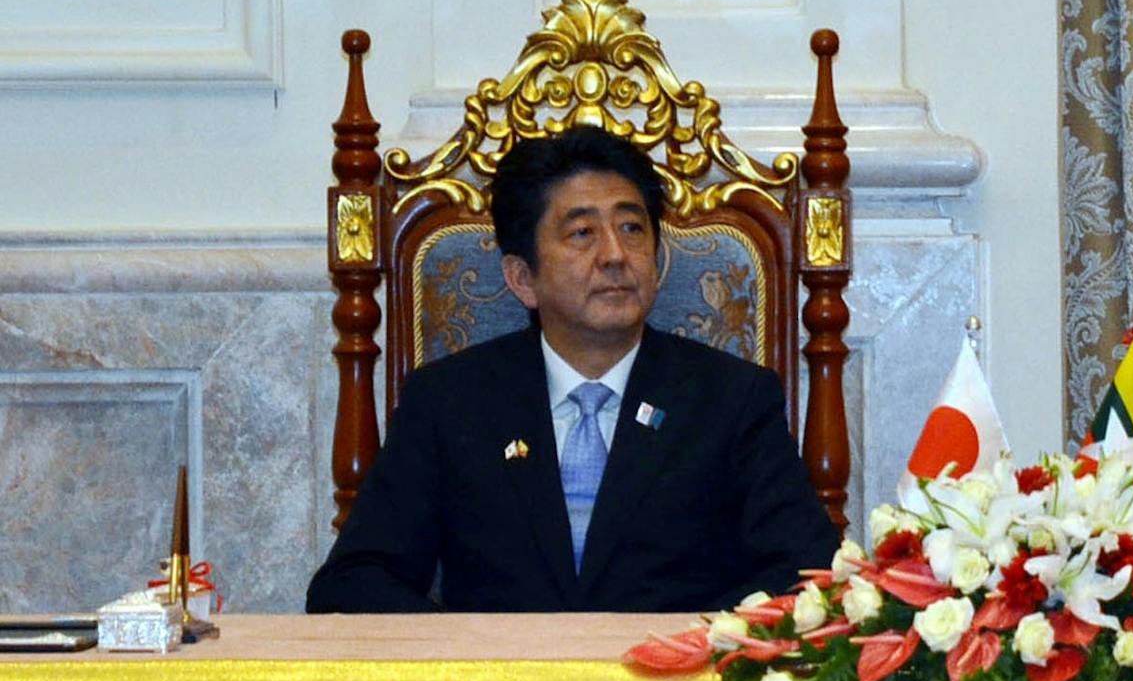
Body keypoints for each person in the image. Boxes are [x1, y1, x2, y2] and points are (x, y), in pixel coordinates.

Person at [307, 126, 837, 612]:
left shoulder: (732, 399)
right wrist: (471, 653)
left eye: (632, 228)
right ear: (522, 278)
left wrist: (698, 643)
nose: (615, 255)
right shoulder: (450, 402)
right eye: (582, 233)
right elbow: (354, 580)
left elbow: (807, 572)